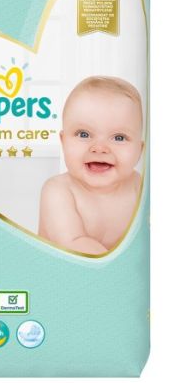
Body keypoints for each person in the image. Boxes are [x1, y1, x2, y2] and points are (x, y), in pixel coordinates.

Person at [39, 76, 144, 254]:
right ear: (63, 142)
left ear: (139, 150)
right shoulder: (58, 191)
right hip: (58, 272)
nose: (99, 148)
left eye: (119, 137)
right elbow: (73, 244)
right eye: (84, 134)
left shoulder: (138, 187)